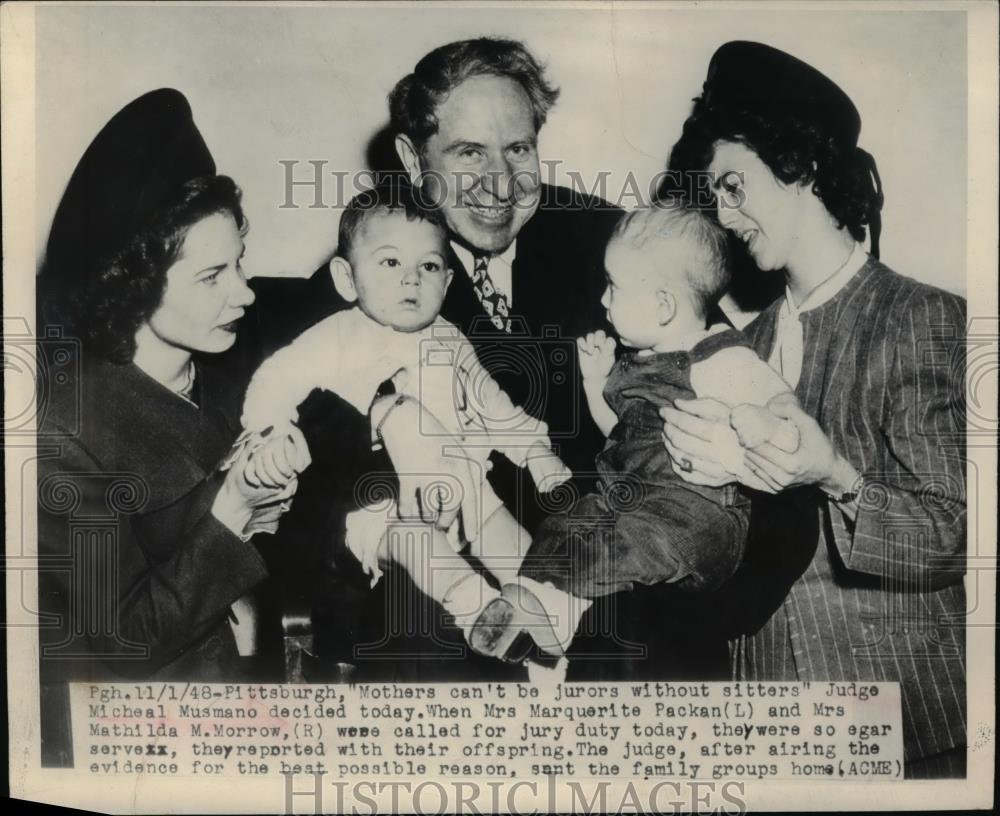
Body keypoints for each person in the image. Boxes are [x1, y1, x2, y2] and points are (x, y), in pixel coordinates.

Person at [660, 41, 967, 778]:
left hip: (908, 722)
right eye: (715, 195)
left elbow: (957, 531)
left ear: (797, 166)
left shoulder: (919, 316)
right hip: (766, 725)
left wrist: (836, 475)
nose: (724, 215)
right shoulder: (734, 347)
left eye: (735, 186)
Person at [36, 89, 309, 762]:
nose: (244, 292)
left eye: (240, 262)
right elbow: (126, 643)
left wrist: (274, 496)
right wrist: (237, 508)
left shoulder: (230, 371)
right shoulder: (64, 430)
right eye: (213, 275)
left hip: (257, 696)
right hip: (149, 739)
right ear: (132, 281)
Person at [241, 184, 573, 658]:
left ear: (448, 282)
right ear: (346, 278)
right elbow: (272, 381)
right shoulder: (334, 338)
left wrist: (536, 451)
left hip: (465, 487)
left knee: (513, 541)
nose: (412, 280)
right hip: (382, 504)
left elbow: (495, 407)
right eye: (391, 262)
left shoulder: (452, 341)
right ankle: (477, 607)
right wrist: (270, 432)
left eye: (430, 266)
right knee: (416, 543)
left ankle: (553, 621)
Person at [483, 202, 800, 658]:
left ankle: (555, 610)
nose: (603, 300)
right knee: (568, 523)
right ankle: (542, 607)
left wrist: (768, 422)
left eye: (614, 287)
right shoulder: (636, 366)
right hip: (631, 498)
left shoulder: (718, 357)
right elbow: (618, 431)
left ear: (664, 305)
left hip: (696, 517)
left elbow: (778, 400)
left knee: (624, 543)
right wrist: (596, 382)